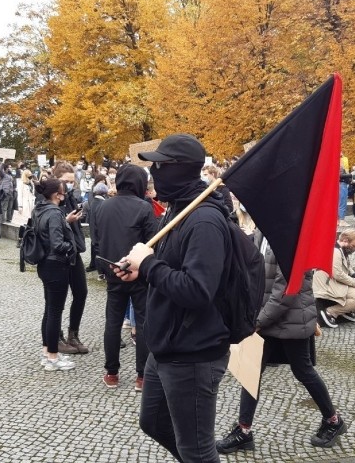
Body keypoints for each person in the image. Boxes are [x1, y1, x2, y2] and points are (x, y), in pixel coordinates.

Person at [114, 133, 232, 463]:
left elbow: (198, 290)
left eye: (160, 166)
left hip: (193, 352)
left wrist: (149, 265)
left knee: (197, 448)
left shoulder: (205, 219)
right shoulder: (178, 208)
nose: (154, 173)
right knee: (152, 422)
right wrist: (141, 270)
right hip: (166, 342)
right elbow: (170, 267)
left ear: (180, 169)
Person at [216, 230, 346, 454]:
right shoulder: (259, 234)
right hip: (264, 317)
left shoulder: (291, 239)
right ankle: (244, 431)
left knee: (303, 370)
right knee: (251, 372)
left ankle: (333, 421)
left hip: (291, 319)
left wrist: (257, 322)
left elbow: (287, 290)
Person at [93, 164, 156, 391]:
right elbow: (153, 241)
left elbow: (96, 240)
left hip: (113, 272)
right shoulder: (144, 207)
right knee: (142, 323)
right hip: (138, 274)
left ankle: (112, 373)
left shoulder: (102, 207)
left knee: (113, 322)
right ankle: (142, 377)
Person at [34, 178, 78, 371]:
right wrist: (71, 246)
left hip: (45, 264)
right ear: (56, 194)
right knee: (54, 311)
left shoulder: (40, 209)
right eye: (62, 190)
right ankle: (52, 356)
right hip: (56, 265)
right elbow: (57, 244)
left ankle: (47, 351)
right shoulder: (53, 213)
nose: (65, 193)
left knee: (49, 309)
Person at [51, 161, 89, 353]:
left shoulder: (71, 197)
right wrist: (66, 220)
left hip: (74, 250)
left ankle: (73, 334)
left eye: (72, 182)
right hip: (58, 255)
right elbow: (46, 225)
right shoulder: (47, 198)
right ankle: (55, 338)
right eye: (66, 181)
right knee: (57, 298)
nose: (69, 185)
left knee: (81, 292)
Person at [313, 229, 355, 328]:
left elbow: (347, 267)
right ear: (345, 240)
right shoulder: (336, 252)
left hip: (333, 281)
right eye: (353, 246)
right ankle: (330, 312)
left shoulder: (341, 250)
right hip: (328, 285)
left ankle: (346, 310)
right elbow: (338, 274)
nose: (354, 249)